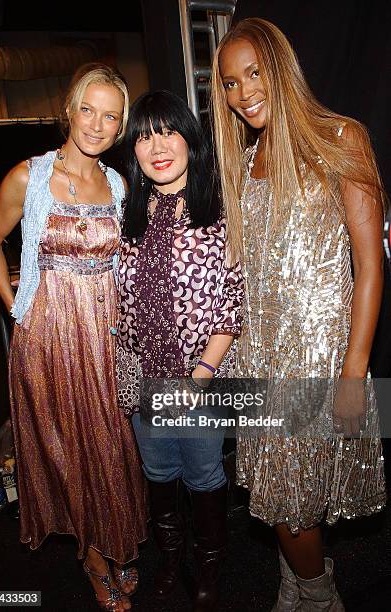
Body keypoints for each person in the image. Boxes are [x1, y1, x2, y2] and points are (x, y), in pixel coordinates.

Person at [210, 17, 387, 612]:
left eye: (254, 73)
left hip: (317, 356)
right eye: (230, 83)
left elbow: (370, 265)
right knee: (282, 496)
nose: (243, 92)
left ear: (280, 67)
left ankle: (317, 594)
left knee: (290, 503)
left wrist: (355, 369)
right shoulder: (246, 157)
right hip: (260, 352)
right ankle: (300, 580)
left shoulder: (342, 138)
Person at [0, 64, 148, 612]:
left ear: (120, 126)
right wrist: (16, 310)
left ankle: (114, 533)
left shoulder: (118, 184)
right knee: (68, 448)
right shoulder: (28, 177)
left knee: (112, 443)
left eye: (111, 116)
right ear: (70, 109)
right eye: (89, 110)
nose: (98, 125)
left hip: (104, 337)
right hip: (49, 337)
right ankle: (95, 557)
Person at [116, 90, 244, 611]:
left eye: (168, 131)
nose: (156, 146)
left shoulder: (219, 209)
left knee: (205, 476)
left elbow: (232, 304)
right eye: (144, 136)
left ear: (190, 140)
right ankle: (171, 560)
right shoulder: (132, 211)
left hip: (199, 379)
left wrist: (202, 375)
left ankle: (208, 565)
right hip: (144, 377)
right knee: (159, 477)